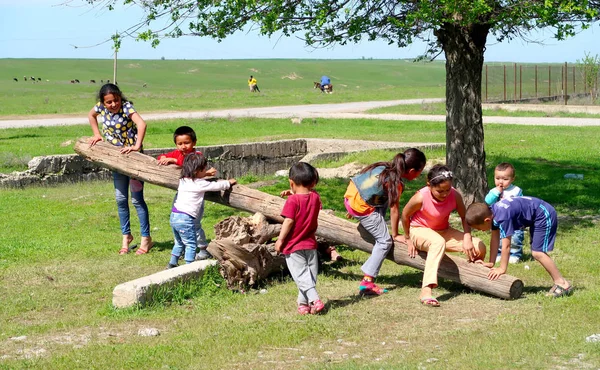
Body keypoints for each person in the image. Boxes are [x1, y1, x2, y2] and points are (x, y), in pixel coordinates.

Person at [344, 149, 427, 296]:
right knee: (384, 242)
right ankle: (367, 282)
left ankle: (362, 217)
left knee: (384, 199)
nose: (419, 175)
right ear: (412, 170)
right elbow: (394, 210)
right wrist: (395, 235)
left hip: (350, 199)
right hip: (361, 208)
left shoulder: (383, 167)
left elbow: (364, 182)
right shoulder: (395, 183)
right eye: (420, 172)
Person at [401, 164, 487, 307]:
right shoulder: (420, 197)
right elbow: (405, 215)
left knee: (479, 245)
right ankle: (426, 290)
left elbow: (464, 216)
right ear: (429, 185)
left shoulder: (454, 194)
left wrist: (467, 237)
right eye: (440, 191)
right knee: (437, 242)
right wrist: (408, 238)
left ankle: (473, 278)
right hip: (419, 230)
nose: (445, 194)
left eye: (447, 189)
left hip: (443, 231)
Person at [87, 83, 153, 255]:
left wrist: (137, 146)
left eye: (115, 100)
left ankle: (146, 239)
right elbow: (91, 115)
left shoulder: (126, 107)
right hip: (115, 160)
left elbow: (142, 124)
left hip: (133, 160)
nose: (113, 104)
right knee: (120, 199)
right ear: (103, 102)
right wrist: (97, 134)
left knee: (137, 200)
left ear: (119, 97)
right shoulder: (100, 108)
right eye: (109, 102)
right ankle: (126, 236)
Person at [466, 198, 573, 298]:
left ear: (487, 220)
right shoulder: (493, 213)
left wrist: (502, 269)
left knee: (537, 253)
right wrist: (491, 263)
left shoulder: (503, 217)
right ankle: (561, 282)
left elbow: (506, 246)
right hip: (536, 215)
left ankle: (562, 283)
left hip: (544, 214)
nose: (481, 231)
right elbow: (495, 239)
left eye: (479, 228)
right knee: (537, 251)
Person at [157, 126, 217, 260]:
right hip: (183, 195)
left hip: (194, 199)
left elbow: (191, 167)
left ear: (194, 142)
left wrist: (174, 161)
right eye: (180, 144)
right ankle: (182, 246)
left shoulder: (197, 156)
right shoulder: (177, 153)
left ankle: (202, 248)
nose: (183, 146)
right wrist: (163, 158)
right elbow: (161, 156)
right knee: (178, 219)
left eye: (187, 142)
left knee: (194, 224)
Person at [167, 153, 236, 268]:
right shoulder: (200, 184)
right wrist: (228, 182)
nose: (206, 171)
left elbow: (199, 178)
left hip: (174, 216)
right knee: (191, 244)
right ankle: (189, 268)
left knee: (179, 243)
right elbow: (216, 186)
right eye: (204, 169)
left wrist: (205, 174)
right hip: (185, 218)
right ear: (196, 171)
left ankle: (172, 263)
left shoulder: (184, 180)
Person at [275, 162, 324, 315]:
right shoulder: (315, 197)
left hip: (293, 245)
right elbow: (307, 197)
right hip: (310, 244)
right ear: (312, 182)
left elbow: (288, 221)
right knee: (308, 275)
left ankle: (314, 299)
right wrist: (295, 193)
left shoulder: (292, 201)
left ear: (291, 182)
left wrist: (280, 240)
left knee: (301, 275)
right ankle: (303, 303)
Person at [485, 162, 524, 264]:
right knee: (499, 237)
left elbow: (522, 204)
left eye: (505, 179)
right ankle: (499, 253)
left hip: (514, 220)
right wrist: (496, 192)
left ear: (512, 179)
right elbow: (488, 201)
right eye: (497, 178)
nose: (501, 182)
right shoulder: (493, 191)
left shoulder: (516, 191)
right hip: (498, 220)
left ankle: (515, 254)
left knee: (515, 238)